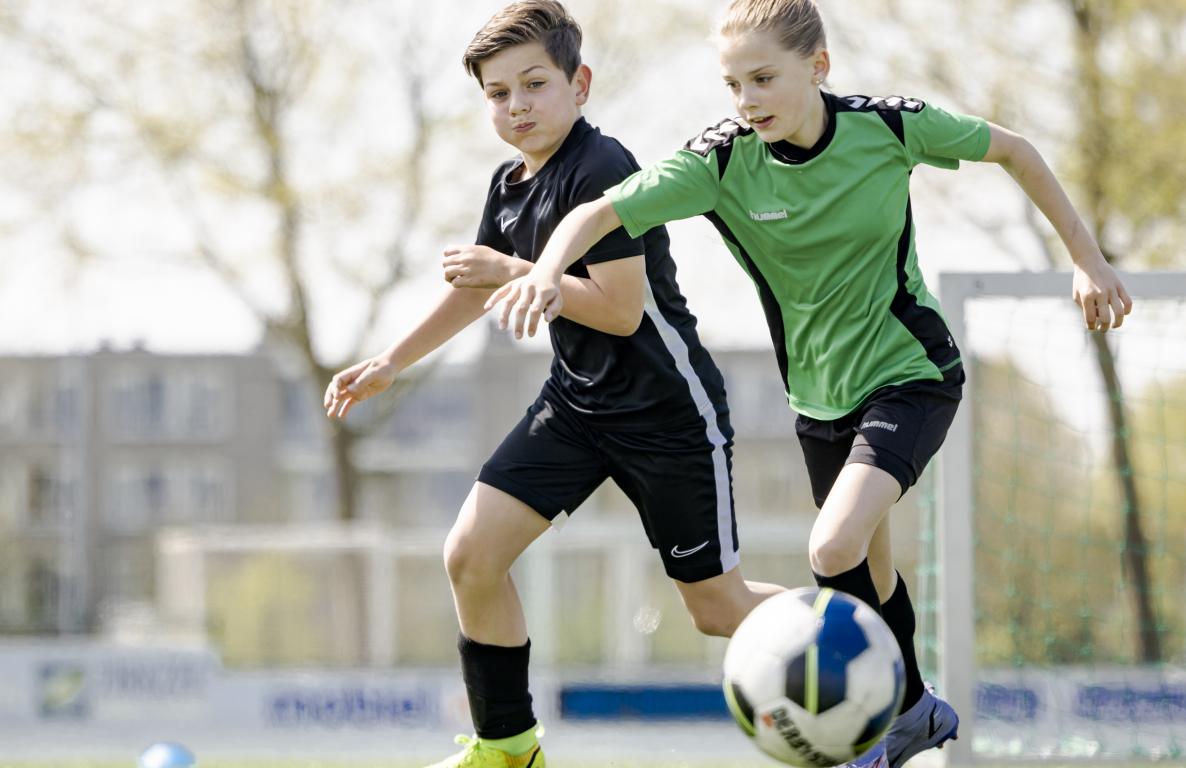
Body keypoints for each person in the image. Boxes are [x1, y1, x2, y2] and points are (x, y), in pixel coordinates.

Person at [484, 1, 1134, 766]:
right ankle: (914, 708)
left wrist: (1087, 262)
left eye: (763, 78)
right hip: (817, 402)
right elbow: (597, 212)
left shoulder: (890, 127)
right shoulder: (720, 162)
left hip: (912, 374)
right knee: (872, 575)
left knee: (832, 547)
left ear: (818, 66)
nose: (747, 100)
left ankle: (857, 741)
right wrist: (550, 272)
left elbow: (1016, 150)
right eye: (732, 84)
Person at [323, 3, 785, 766]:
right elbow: (474, 290)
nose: (517, 105)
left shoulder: (603, 167)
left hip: (669, 412)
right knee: (470, 555)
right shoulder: (508, 186)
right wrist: (391, 362)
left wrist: (515, 272)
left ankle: (863, 643)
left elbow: (619, 307)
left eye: (534, 84)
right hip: (576, 406)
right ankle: (508, 748)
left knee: (716, 609)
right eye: (499, 94)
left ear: (581, 85)